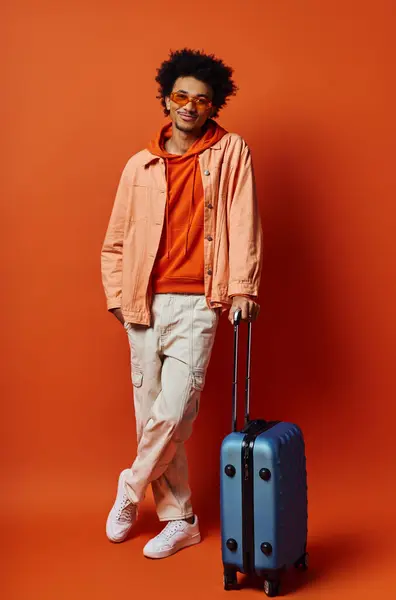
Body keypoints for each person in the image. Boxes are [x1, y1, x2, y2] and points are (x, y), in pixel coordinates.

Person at [100, 48, 263, 559]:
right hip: (143, 306)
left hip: (197, 303)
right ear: (166, 100)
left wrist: (243, 288)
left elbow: (244, 221)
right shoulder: (139, 165)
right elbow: (116, 239)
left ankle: (129, 489)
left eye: (202, 100)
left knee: (172, 413)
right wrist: (116, 300)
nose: (190, 106)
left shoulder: (232, 152)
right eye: (181, 97)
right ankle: (182, 520)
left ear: (213, 107)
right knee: (149, 415)